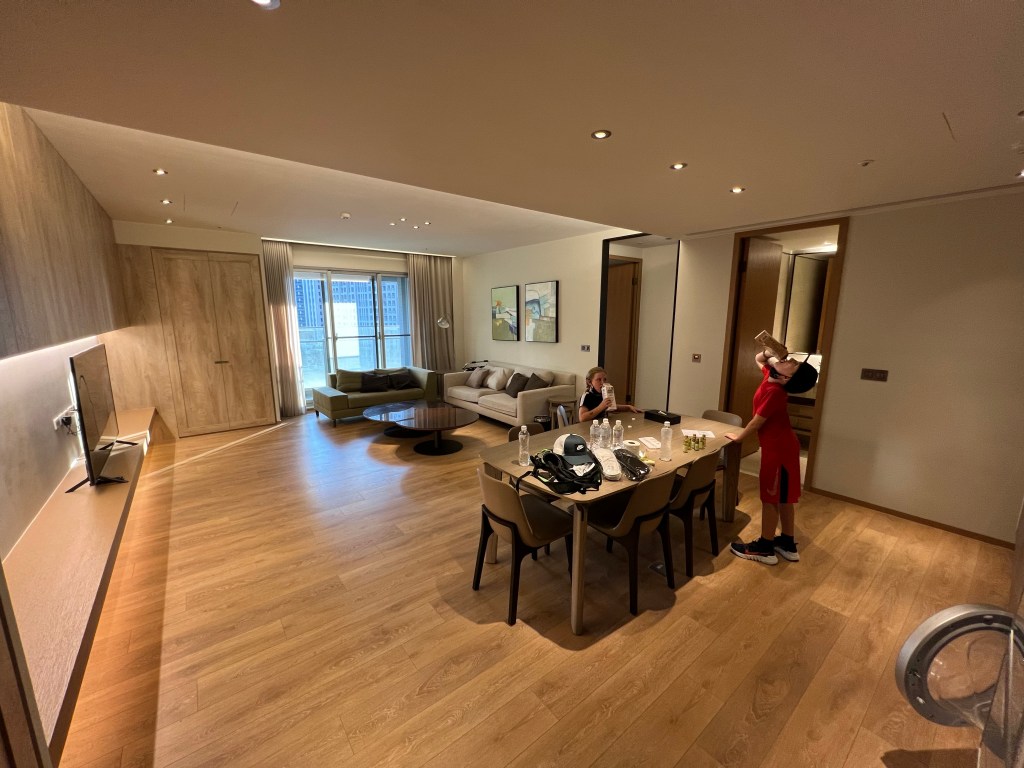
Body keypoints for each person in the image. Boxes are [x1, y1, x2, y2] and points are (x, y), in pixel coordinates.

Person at [724, 349, 818, 564]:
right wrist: (769, 350)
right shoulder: (771, 376)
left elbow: (757, 421)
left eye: (793, 364)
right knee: (783, 498)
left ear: (787, 378)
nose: (790, 360)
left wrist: (739, 438)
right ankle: (787, 543)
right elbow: (759, 358)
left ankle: (765, 548)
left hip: (779, 451)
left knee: (771, 498)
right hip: (781, 447)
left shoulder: (776, 392)